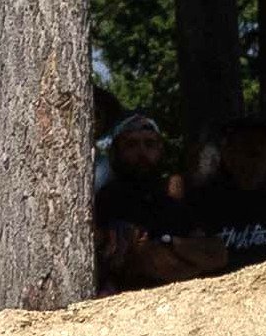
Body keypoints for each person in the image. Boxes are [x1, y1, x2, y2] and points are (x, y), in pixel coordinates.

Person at [91, 113, 214, 290]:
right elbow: (143, 264)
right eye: (131, 144)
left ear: (160, 149)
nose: (142, 153)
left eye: (149, 144)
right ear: (116, 152)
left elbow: (215, 253)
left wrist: (169, 244)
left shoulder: (172, 200)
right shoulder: (104, 202)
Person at [172, 116, 266, 269]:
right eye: (246, 148)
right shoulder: (199, 205)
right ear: (227, 153)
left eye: (261, 147)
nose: (254, 158)